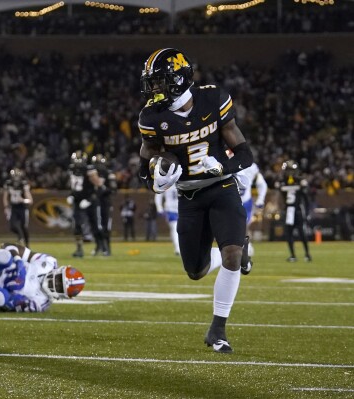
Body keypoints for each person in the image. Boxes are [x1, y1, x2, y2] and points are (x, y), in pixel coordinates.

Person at [137, 48, 253, 353]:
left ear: (179, 78)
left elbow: (245, 153)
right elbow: (146, 157)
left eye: (160, 81)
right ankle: (241, 252)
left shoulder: (212, 99)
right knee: (195, 270)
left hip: (222, 187)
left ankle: (218, 330)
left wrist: (224, 167)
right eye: (152, 83)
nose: (155, 89)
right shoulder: (152, 117)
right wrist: (153, 178)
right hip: (188, 196)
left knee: (231, 255)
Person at [277, 160, 312, 262]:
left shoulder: (296, 181)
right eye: (288, 170)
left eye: (291, 170)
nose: (290, 173)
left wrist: (308, 211)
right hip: (289, 210)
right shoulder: (284, 181)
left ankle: (307, 254)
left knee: (302, 233)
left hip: (297, 210)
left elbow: (306, 197)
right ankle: (293, 255)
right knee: (289, 233)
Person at [67, 151, 100, 258]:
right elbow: (72, 185)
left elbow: (97, 184)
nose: (77, 163)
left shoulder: (89, 169)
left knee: (94, 223)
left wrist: (90, 199)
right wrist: (71, 195)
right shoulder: (72, 169)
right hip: (77, 200)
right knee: (77, 226)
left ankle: (99, 246)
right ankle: (79, 249)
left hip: (89, 199)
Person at [233, 158, 268, 257]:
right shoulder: (224, 163)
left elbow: (262, 184)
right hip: (230, 201)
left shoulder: (251, 168)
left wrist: (261, 198)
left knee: (244, 226)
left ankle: (246, 246)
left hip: (245, 202)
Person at [88, 154, 117, 255]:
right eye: (97, 164)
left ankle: (107, 248)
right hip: (94, 203)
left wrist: (103, 188)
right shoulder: (90, 175)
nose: (99, 166)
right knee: (95, 226)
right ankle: (99, 246)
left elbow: (113, 190)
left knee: (105, 226)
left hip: (105, 203)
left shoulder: (109, 174)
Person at [3, 168, 33, 247]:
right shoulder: (8, 184)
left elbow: (30, 200)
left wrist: (23, 200)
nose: (15, 178)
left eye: (17, 176)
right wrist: (6, 207)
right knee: (12, 226)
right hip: (13, 207)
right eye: (14, 176)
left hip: (23, 207)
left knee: (24, 227)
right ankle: (21, 237)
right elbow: (5, 197)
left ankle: (27, 244)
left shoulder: (23, 184)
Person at [155, 184, 180, 255]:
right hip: (171, 210)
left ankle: (177, 247)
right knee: (175, 228)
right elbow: (158, 195)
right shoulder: (167, 182)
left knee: (176, 230)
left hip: (181, 209)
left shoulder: (181, 180)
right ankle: (178, 248)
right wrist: (159, 208)